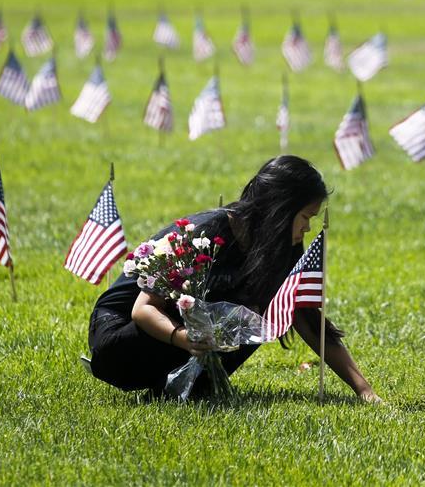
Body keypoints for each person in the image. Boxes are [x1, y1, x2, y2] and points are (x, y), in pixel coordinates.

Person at [87, 155, 380, 403]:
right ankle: (175, 383)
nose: (306, 228)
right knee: (240, 310)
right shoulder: (201, 233)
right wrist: (184, 338)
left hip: (178, 339)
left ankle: (187, 388)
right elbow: (142, 310)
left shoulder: (281, 247)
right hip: (120, 339)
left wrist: (365, 392)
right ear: (281, 210)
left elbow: (304, 317)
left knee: (260, 316)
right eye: (305, 217)